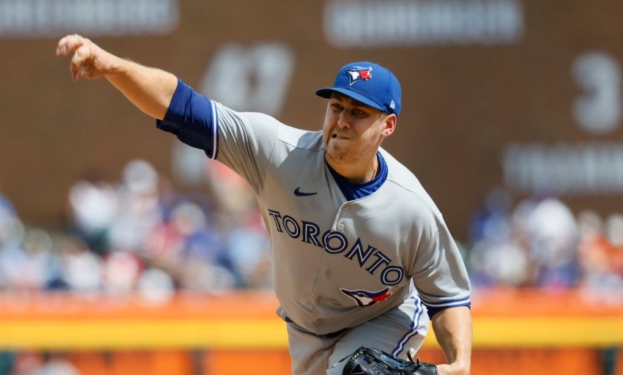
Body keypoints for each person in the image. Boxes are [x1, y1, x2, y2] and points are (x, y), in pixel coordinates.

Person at [55, 34, 473, 375]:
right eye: (336, 106)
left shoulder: (410, 206)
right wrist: (114, 67)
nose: (342, 120)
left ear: (388, 125)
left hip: (380, 320)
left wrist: (460, 365)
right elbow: (182, 107)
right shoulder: (278, 153)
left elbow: (449, 296)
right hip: (305, 328)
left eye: (359, 112)